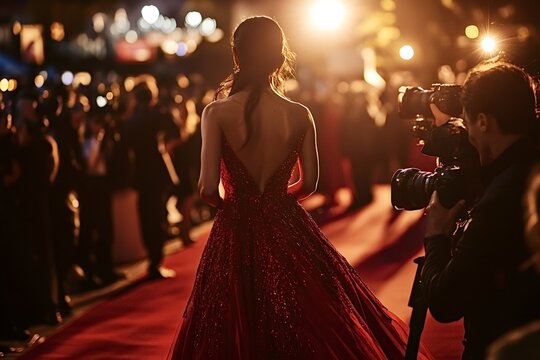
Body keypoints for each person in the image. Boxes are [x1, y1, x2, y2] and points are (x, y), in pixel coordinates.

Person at [169, 16, 432, 359]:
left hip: (236, 226)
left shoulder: (216, 113)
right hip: (287, 223)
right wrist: (274, 202)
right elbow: (310, 183)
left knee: (230, 321)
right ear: (279, 58)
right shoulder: (300, 113)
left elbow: (207, 189)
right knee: (306, 318)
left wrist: (239, 205)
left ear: (237, 55)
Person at [421, 60, 540, 359]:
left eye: (468, 122)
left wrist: (436, 237)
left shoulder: (500, 198)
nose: (467, 134)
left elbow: (445, 302)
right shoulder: (529, 169)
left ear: (484, 122)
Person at [123, 83, 179, 280]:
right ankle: (156, 260)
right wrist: (164, 146)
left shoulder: (130, 122)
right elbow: (177, 132)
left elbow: (125, 147)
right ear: (152, 97)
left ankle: (152, 258)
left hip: (140, 172)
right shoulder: (158, 115)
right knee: (159, 217)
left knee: (146, 217)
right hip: (157, 170)